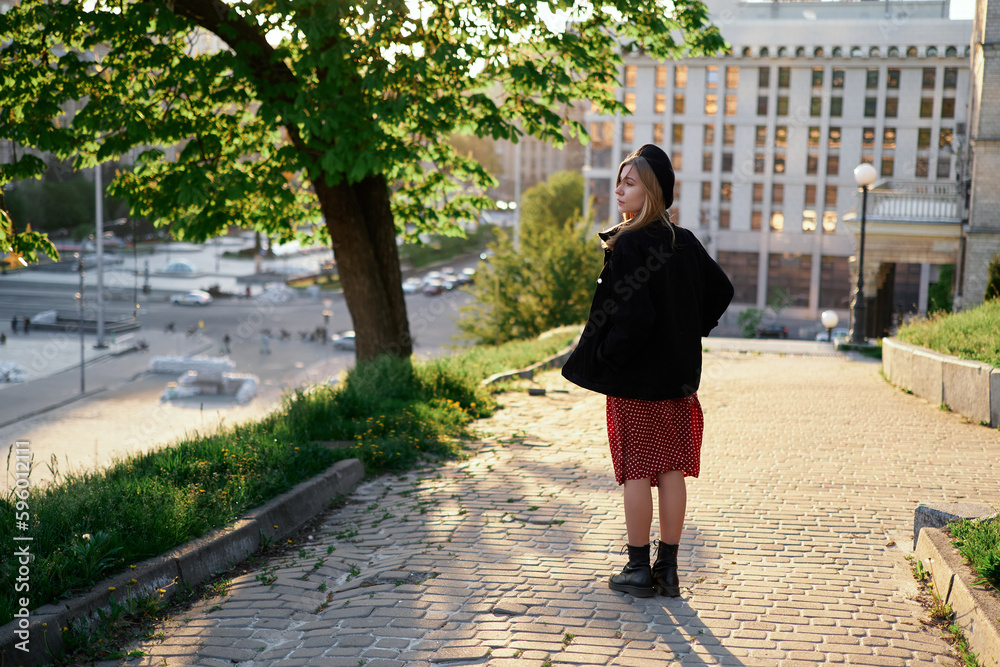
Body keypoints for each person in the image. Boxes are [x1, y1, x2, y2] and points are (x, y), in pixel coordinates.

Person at [561, 144, 734, 598]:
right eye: (618, 181)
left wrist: (613, 357)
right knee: (671, 468)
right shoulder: (685, 241)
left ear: (652, 191)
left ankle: (638, 569)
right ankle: (669, 572)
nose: (619, 189)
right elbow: (722, 290)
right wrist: (687, 330)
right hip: (677, 378)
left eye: (630, 182)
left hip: (637, 380)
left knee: (637, 471)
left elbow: (633, 318)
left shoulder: (632, 241)